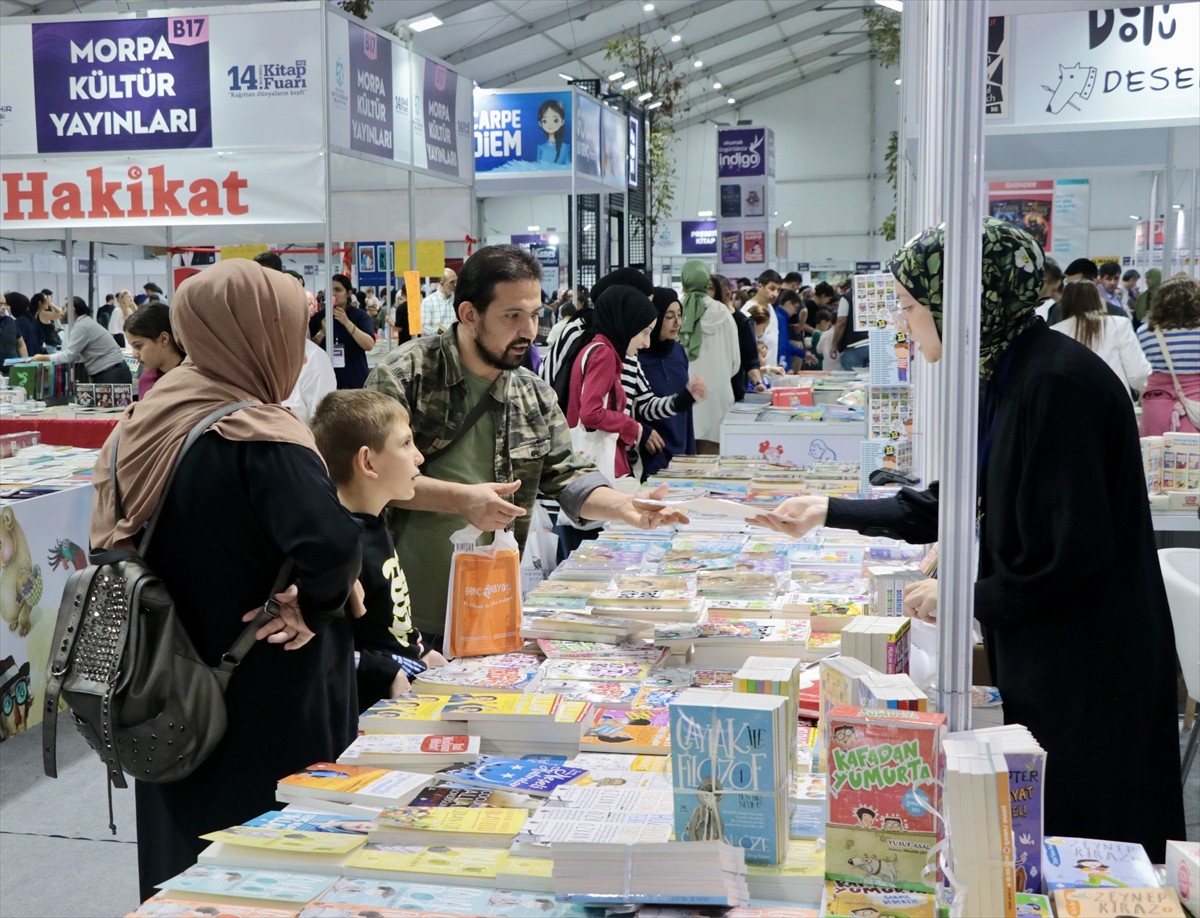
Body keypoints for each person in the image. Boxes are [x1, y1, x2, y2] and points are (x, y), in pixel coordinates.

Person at [748, 218, 1185, 862]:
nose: (903, 322)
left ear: (963, 303)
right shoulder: (1009, 375)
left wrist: (968, 597)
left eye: (911, 304)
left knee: (1092, 846)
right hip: (1054, 649)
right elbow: (956, 501)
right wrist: (826, 509)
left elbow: (1075, 558)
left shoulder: (1055, 386)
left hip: (1091, 665)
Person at [88, 260, 363, 899]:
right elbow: (333, 543)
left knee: (183, 854)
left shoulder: (143, 421)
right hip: (258, 687)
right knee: (266, 860)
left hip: (158, 682)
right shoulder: (258, 434)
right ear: (255, 335)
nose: (296, 354)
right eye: (292, 335)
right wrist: (312, 604)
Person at [363, 244, 687, 648]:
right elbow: (368, 480)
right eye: (513, 316)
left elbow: (566, 474)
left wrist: (622, 505)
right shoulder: (404, 377)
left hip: (492, 607)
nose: (530, 332)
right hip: (405, 612)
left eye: (534, 315)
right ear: (469, 314)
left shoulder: (533, 394)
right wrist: (461, 500)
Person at [310, 389, 448, 709]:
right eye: (405, 443)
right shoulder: (339, 543)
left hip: (408, 680)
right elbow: (321, 643)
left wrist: (422, 650)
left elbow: (389, 618)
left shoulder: (374, 523)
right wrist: (383, 671)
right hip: (372, 706)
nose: (419, 456)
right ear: (368, 461)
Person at [566, 286, 657, 481]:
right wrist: (631, 426)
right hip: (600, 463)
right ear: (627, 324)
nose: (646, 343)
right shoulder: (604, 354)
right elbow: (591, 413)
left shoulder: (593, 348)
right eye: (644, 332)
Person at [638, 288, 701, 480]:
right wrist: (642, 431)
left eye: (680, 315)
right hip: (651, 450)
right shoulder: (637, 355)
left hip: (680, 445)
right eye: (669, 316)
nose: (677, 323)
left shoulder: (678, 352)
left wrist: (691, 453)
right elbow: (633, 405)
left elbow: (685, 408)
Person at [1050, 281, 1149, 399]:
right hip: (1115, 403)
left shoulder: (1054, 331)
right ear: (1097, 299)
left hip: (1072, 404)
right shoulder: (1119, 324)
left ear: (1065, 303)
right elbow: (1138, 373)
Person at [680, 260, 740, 453]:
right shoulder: (724, 313)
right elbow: (735, 362)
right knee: (713, 466)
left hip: (684, 396)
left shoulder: (675, 313)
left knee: (683, 466)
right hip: (719, 397)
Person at [1137, 273, 1200, 436]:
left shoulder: (1145, 332)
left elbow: (1141, 369)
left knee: (1155, 455)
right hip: (1196, 407)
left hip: (1155, 406)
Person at [30, 297, 131, 384]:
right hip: (111, 371)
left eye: (63, 309)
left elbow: (69, 356)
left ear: (72, 310)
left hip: (112, 373)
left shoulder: (81, 326)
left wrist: (42, 358)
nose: (61, 313)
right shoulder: (84, 323)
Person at [310, 273, 376, 389]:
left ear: (348, 293)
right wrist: (322, 333)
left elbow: (369, 345)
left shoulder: (359, 316)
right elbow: (308, 350)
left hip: (355, 380)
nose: (333, 294)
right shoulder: (318, 318)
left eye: (338, 290)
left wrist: (347, 323)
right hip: (325, 380)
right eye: (330, 290)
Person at [712, 273, 763, 400]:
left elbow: (751, 360)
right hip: (707, 392)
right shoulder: (704, 320)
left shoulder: (743, 322)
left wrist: (758, 382)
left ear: (727, 295)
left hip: (734, 391)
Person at [125, 303, 185, 400]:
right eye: (132, 347)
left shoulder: (195, 378)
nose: (134, 354)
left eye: (138, 346)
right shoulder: (146, 380)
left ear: (164, 339)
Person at [420, 269, 458, 337]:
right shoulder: (428, 302)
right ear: (442, 283)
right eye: (451, 282)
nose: (455, 284)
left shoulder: (458, 300)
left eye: (456, 281)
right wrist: (438, 331)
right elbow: (424, 327)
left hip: (455, 343)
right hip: (437, 344)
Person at [536, 99, 570, 166]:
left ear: (562, 122)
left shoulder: (565, 148)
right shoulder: (541, 148)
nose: (550, 125)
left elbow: (569, 167)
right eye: (545, 121)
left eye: (555, 120)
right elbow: (538, 169)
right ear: (540, 123)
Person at [0, 293, 29, 369]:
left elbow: (21, 345)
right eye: (0, 304)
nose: (3, 307)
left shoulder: (11, 322)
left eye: (5, 304)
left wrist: (25, 364)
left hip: (14, 369)